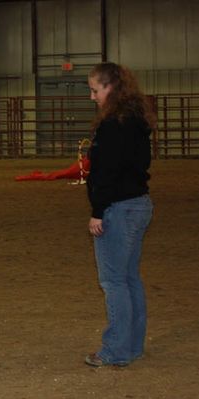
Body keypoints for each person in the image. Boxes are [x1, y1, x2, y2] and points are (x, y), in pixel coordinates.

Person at [84, 62, 155, 367]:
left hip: (119, 208)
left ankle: (116, 350)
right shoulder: (137, 121)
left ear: (109, 88)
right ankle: (133, 345)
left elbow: (107, 173)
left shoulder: (112, 125)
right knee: (128, 278)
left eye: (95, 90)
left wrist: (98, 211)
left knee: (113, 281)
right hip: (139, 204)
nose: (92, 97)